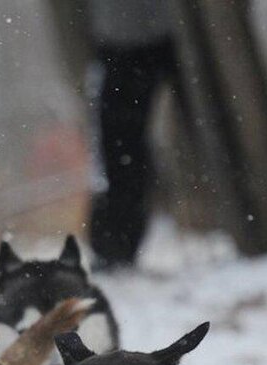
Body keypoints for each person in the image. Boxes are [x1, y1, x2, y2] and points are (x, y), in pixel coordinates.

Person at [85, 0, 177, 272]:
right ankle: (116, 244)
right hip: (126, 42)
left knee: (123, 152)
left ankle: (117, 245)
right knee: (122, 152)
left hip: (135, 42)